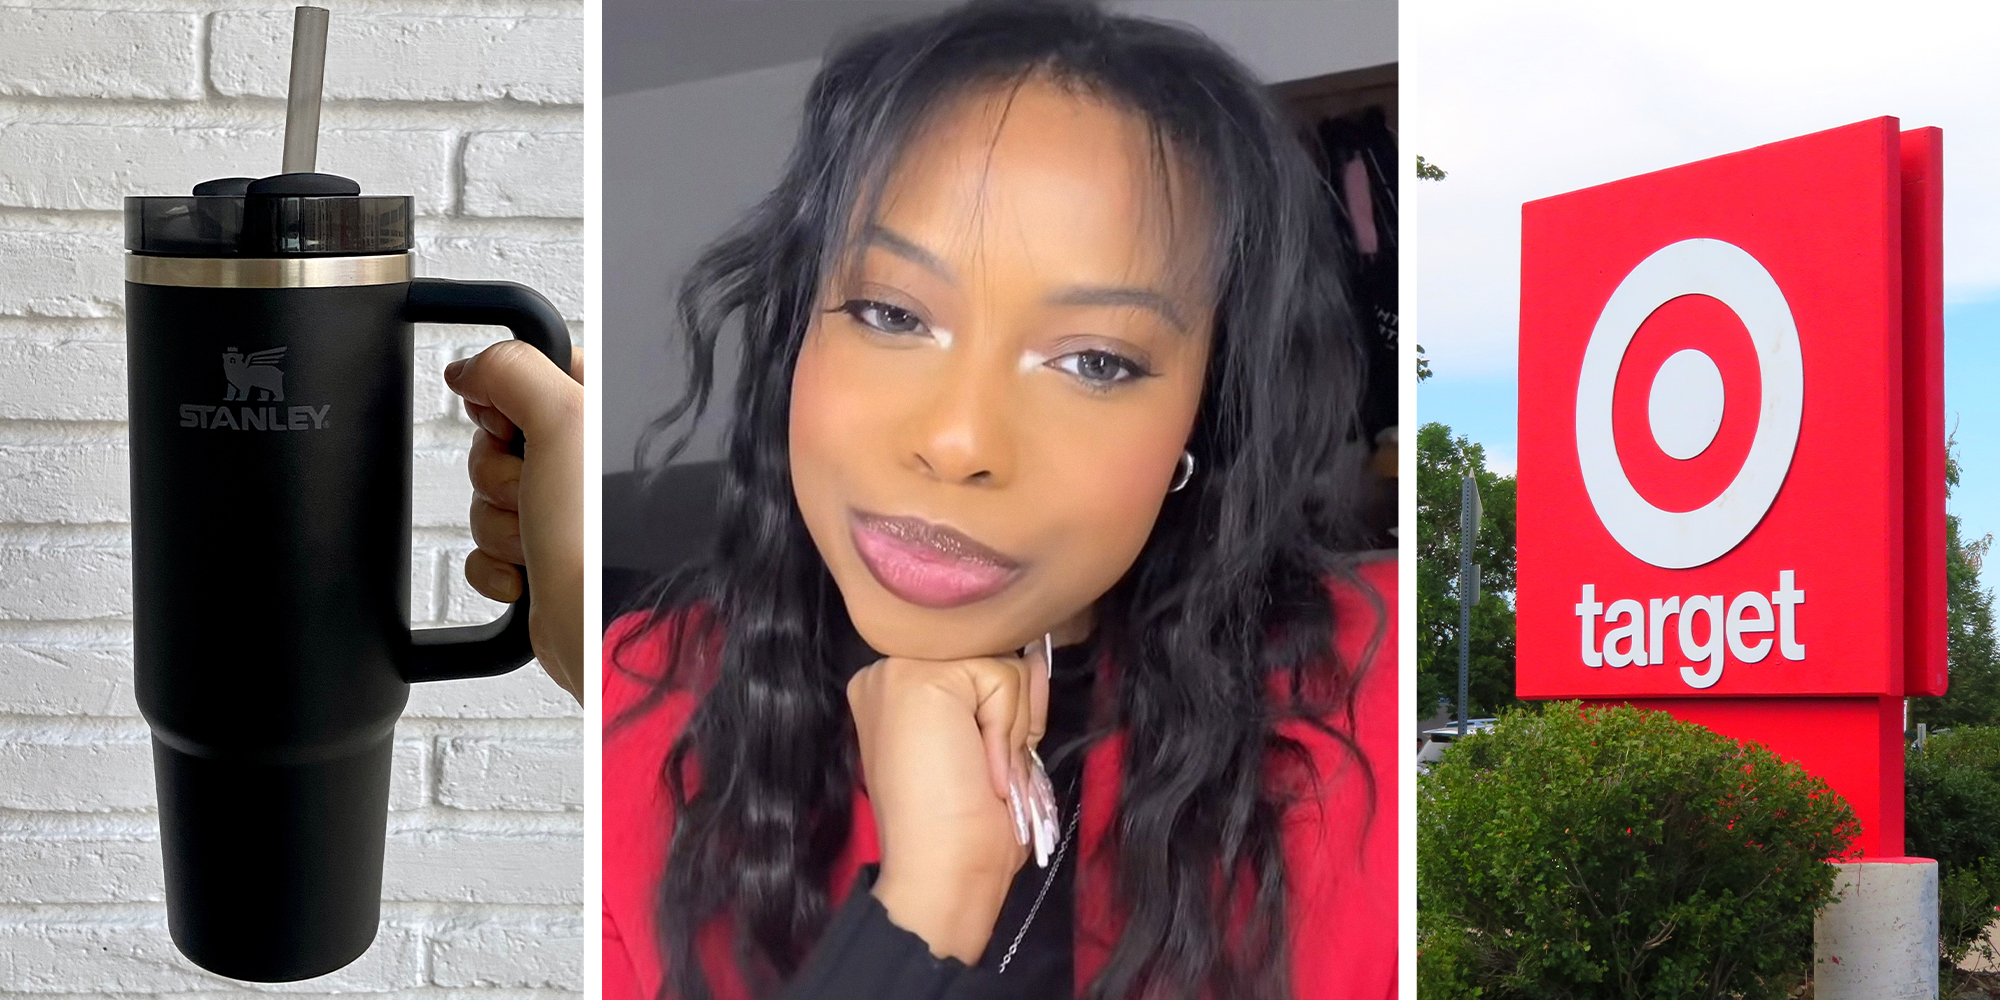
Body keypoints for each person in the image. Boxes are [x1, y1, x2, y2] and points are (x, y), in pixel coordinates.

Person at [602, 2, 1397, 998]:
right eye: (890, 313)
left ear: (1202, 417)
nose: (957, 440)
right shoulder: (638, 716)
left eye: (1094, 361)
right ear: (795, 332)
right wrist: (925, 907)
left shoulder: (1376, 702)